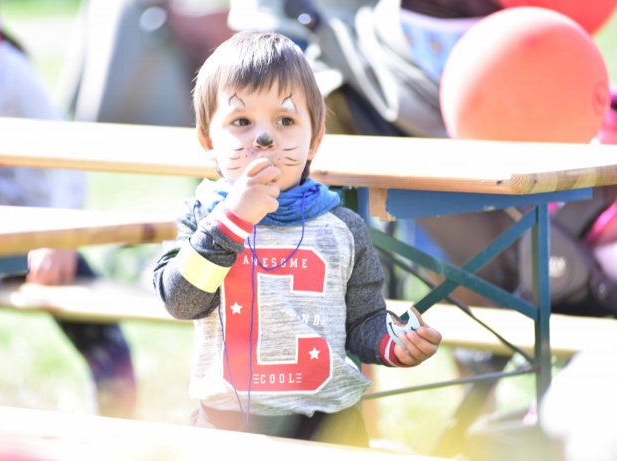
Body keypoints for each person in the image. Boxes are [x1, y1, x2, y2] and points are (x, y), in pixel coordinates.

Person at [152, 30, 442, 446]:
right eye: (241, 122)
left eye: (285, 121)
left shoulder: (343, 226)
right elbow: (180, 300)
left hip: (329, 423)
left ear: (314, 140)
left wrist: (392, 342)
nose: (264, 140)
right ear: (207, 140)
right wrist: (233, 220)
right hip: (230, 422)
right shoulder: (200, 217)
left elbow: (360, 321)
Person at [0, 0, 136, 418]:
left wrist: (60, 239)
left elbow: (66, 159)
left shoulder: (6, 70)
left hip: (30, 236)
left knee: (109, 347)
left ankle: (124, 432)